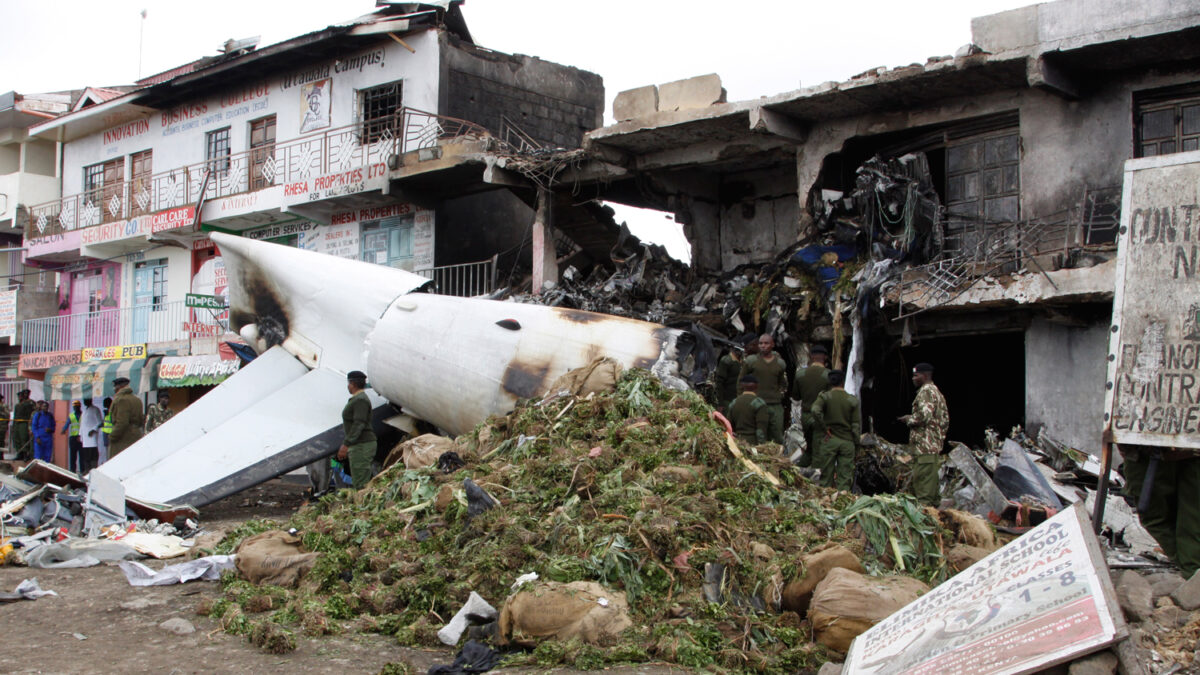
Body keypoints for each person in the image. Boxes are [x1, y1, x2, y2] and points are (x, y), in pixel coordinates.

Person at [900, 363, 949, 506]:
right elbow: (944, 420)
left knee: (923, 487)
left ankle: (925, 519)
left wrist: (909, 419)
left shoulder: (926, 391)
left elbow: (924, 416)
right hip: (932, 445)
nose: (913, 378)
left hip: (925, 447)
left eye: (916, 375)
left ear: (925, 376)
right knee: (931, 485)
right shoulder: (936, 391)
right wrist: (938, 438)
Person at [811, 370, 861, 491]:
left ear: (829, 382)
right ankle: (842, 504)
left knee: (826, 477)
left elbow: (815, 410)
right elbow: (855, 427)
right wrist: (857, 445)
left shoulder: (825, 397)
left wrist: (824, 428)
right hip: (847, 442)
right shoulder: (852, 400)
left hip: (830, 440)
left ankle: (825, 503)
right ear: (843, 382)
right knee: (844, 478)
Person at [739, 333, 788, 444]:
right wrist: (742, 398)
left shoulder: (779, 363)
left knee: (777, 435)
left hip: (774, 404)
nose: (763, 346)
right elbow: (741, 380)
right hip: (757, 403)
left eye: (766, 343)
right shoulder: (751, 361)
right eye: (760, 343)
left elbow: (783, 382)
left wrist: (780, 395)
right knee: (759, 435)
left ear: (772, 345)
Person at [791, 345, 831, 467]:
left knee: (809, 448)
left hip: (806, 416)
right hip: (821, 417)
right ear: (825, 358)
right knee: (819, 450)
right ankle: (816, 479)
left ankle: (800, 470)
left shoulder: (800, 374)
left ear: (811, 357)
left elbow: (796, 397)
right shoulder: (829, 375)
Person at [336, 370, 377, 489]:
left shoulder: (360, 400)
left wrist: (346, 444)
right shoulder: (357, 399)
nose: (348, 386)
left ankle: (363, 505)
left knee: (361, 482)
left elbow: (359, 423)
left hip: (362, 444)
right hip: (358, 444)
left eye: (349, 383)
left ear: (352, 384)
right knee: (359, 477)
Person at [727, 375, 769, 446]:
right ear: (756, 387)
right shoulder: (759, 404)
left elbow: (729, 426)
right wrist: (762, 446)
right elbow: (760, 431)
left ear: (742, 387)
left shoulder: (734, 403)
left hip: (737, 443)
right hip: (753, 444)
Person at [108, 377, 144, 458]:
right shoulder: (137, 399)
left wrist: (112, 436)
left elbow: (122, 422)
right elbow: (141, 420)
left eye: (115, 387)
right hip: (135, 436)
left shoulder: (122, 400)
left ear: (120, 387)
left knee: (119, 464)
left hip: (123, 439)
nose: (114, 389)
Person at [713, 342, 746, 413]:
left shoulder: (741, 362)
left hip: (735, 399)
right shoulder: (727, 361)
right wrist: (720, 403)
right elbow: (719, 382)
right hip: (726, 399)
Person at [78, 398, 103, 475]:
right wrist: (80, 435)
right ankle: (87, 470)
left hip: (92, 437)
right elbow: (82, 424)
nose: (85, 401)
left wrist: (93, 430)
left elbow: (100, 422)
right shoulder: (84, 411)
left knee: (93, 454)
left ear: (90, 400)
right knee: (86, 455)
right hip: (85, 437)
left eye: (87, 400)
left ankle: (93, 470)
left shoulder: (95, 409)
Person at [61, 400, 84, 473]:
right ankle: (72, 471)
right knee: (73, 456)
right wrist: (64, 429)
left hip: (81, 437)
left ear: (79, 406)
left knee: (82, 456)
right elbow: (67, 423)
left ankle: (82, 470)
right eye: (75, 406)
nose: (76, 408)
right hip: (73, 437)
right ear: (73, 407)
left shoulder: (83, 415)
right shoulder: (71, 415)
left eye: (77, 406)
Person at [11, 389, 33, 461]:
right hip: (17, 423)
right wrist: (14, 426)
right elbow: (15, 415)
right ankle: (20, 453)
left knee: (24, 439)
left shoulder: (30, 403)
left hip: (24, 423)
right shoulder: (18, 405)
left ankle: (26, 454)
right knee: (17, 439)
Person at [99, 397, 113, 464]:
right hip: (105, 433)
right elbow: (105, 422)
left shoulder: (112, 412)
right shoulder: (106, 412)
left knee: (111, 450)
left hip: (111, 433)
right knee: (106, 450)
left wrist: (108, 413)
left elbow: (113, 421)